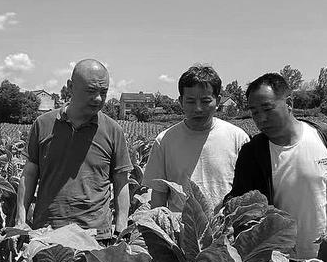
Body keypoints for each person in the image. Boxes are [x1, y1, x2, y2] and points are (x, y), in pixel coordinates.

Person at [227, 73, 327, 259]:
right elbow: (243, 201)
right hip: (280, 260)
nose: (261, 118)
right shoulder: (252, 153)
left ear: (289, 103)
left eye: (267, 108)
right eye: (254, 112)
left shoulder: (326, 137)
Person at [16, 59, 132, 240]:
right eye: (91, 91)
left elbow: (121, 181)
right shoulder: (43, 124)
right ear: (70, 86)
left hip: (95, 237)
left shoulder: (113, 130)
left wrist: (121, 228)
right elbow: (29, 173)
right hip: (47, 233)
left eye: (103, 92)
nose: (98, 98)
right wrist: (20, 220)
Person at [143, 64, 250, 210]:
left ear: (218, 101)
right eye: (191, 101)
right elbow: (158, 195)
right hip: (181, 224)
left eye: (206, 101)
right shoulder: (165, 141)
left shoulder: (238, 138)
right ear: (181, 102)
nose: (198, 108)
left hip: (225, 224)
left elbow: (248, 192)